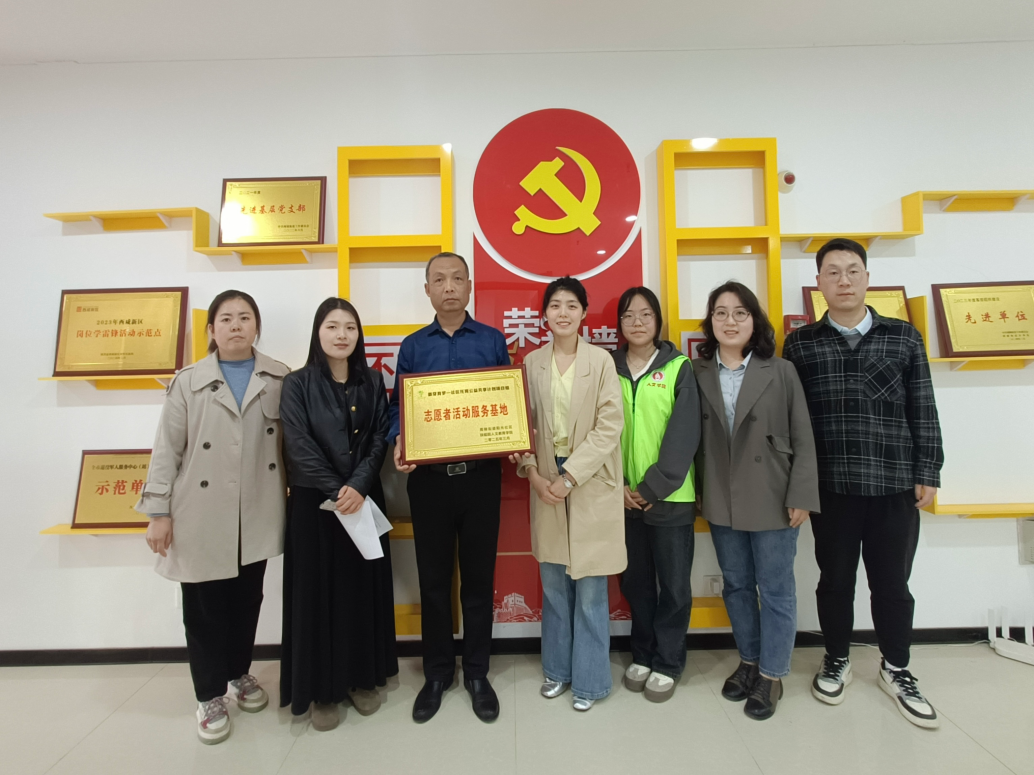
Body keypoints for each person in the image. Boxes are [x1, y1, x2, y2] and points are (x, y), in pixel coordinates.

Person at [783, 238, 944, 729]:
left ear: (868, 278)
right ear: (819, 283)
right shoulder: (801, 344)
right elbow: (792, 422)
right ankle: (837, 658)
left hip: (893, 484)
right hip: (830, 487)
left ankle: (897, 667)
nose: (844, 280)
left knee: (892, 583)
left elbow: (923, 406)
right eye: (833, 272)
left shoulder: (903, 337)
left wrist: (928, 470)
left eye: (853, 270)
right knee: (834, 582)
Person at [137, 290, 289, 745]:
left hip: (257, 508)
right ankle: (208, 694)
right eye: (226, 318)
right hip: (200, 511)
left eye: (245, 317)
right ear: (211, 330)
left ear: (256, 327)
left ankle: (239, 673)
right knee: (203, 609)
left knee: (247, 600)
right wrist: (158, 511)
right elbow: (167, 449)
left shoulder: (279, 377)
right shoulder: (188, 381)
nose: (236, 325)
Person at [389, 252, 511, 724]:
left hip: (481, 479)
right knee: (434, 581)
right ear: (427, 290)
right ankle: (437, 674)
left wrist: (514, 435)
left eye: (457, 278)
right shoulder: (413, 346)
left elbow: (507, 401)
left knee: (479, 581)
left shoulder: (493, 340)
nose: (449, 287)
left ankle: (478, 673)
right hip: (429, 484)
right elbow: (398, 407)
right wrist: (399, 440)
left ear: (470, 285)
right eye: (438, 280)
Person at [693, 281, 820, 720]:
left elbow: (803, 436)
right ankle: (748, 661)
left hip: (773, 494)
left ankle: (772, 673)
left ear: (754, 320)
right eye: (721, 313)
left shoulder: (780, 370)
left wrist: (801, 494)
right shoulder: (698, 371)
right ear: (710, 321)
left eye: (740, 313)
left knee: (776, 589)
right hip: (721, 495)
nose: (730, 321)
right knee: (737, 585)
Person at [278, 298, 398, 731]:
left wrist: (359, 486)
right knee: (317, 596)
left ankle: (361, 679)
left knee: (360, 591)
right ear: (318, 332)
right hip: (316, 505)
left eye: (350, 327)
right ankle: (321, 691)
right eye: (332, 326)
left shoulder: (372, 380)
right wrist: (336, 489)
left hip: (363, 501)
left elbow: (380, 437)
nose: (342, 335)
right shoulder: (296, 383)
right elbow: (298, 445)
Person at [511, 276, 626, 712]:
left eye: (572, 305)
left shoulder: (601, 361)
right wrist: (532, 473)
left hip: (590, 479)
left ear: (583, 313)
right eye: (555, 305)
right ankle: (557, 671)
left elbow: (610, 426)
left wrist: (571, 476)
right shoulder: (531, 362)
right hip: (544, 478)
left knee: (592, 588)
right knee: (555, 584)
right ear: (544, 314)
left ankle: (591, 683)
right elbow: (518, 425)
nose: (563, 313)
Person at [611, 286, 700, 703]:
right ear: (619, 323)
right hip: (622, 498)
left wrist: (651, 487)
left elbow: (684, 434)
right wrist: (618, 487)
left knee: (674, 586)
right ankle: (643, 654)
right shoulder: (607, 367)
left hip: (670, 498)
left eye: (645, 314)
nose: (637, 322)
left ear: (658, 321)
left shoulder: (680, 367)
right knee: (636, 583)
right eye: (629, 315)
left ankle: (668, 661)